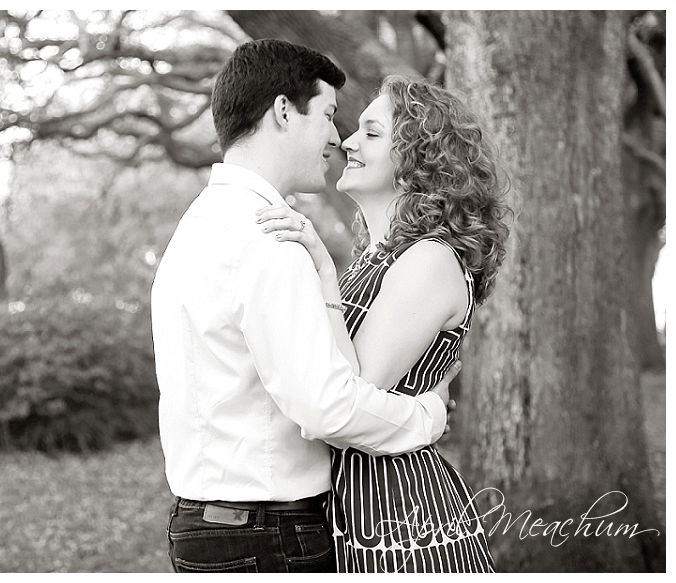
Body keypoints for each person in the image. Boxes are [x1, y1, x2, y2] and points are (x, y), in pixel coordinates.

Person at [151, 40, 461, 573]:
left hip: (202, 524)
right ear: (282, 111)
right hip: (267, 534)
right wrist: (427, 415)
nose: (336, 138)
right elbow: (328, 407)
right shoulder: (270, 238)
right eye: (329, 114)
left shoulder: (199, 226)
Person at [258, 74, 511, 572]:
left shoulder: (430, 258)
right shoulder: (378, 259)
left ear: (421, 158)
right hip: (355, 507)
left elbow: (349, 392)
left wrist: (323, 272)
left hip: (402, 515)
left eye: (372, 134)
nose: (347, 141)